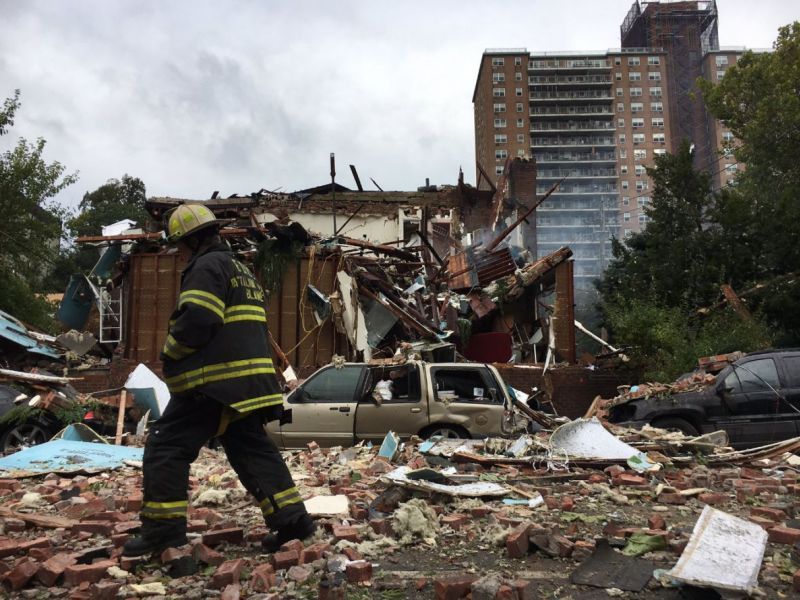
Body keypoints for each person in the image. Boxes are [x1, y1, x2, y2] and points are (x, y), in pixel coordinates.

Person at [123, 204, 315, 556]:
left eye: (180, 246)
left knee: (166, 446)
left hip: (216, 385)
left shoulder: (206, 266)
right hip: (250, 385)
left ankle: (163, 533)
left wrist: (171, 353)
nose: (179, 254)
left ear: (191, 241)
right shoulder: (239, 268)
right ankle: (294, 523)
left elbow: (198, 318)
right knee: (251, 450)